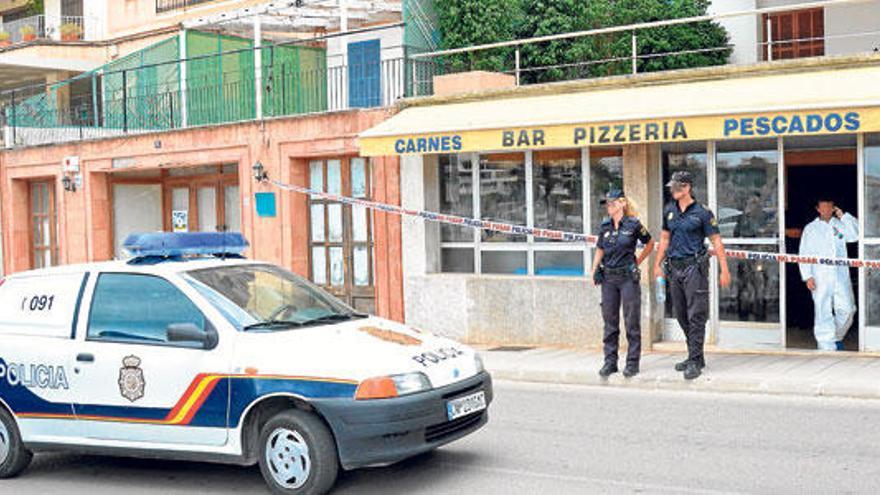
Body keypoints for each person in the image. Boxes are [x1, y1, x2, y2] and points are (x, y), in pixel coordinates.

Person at [653, 171, 731, 380]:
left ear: (687, 188)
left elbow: (716, 242)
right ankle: (695, 354)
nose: (672, 190)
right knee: (681, 314)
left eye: (676, 187)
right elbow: (664, 239)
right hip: (674, 268)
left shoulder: (703, 213)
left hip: (694, 268)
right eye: (672, 187)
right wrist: (656, 264)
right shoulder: (669, 210)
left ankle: (695, 360)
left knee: (696, 315)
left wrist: (724, 269)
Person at [591, 190, 655, 378]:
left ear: (622, 203)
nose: (608, 206)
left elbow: (650, 243)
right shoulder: (605, 226)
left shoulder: (633, 224)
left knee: (631, 321)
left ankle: (632, 363)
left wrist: (637, 261)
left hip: (627, 278)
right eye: (607, 203)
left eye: (612, 203)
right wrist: (594, 269)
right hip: (609, 279)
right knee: (610, 322)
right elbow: (600, 248)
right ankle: (610, 362)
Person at [798, 198, 859, 351]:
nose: (826, 210)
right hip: (819, 274)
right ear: (818, 209)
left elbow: (855, 235)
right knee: (822, 309)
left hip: (839, 274)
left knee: (848, 309)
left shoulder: (840, 225)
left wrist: (844, 216)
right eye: (823, 207)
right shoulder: (810, 228)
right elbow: (804, 253)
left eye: (830, 207)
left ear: (833, 208)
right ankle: (826, 346)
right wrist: (807, 276)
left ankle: (835, 337)